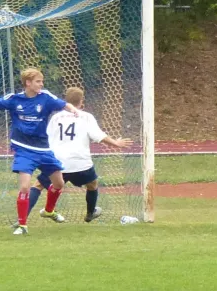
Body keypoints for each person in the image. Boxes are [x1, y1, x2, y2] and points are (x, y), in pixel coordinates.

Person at [0, 68, 79, 235]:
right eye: (38, 81)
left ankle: (49, 211)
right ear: (28, 83)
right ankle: (23, 226)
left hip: (43, 149)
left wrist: (72, 109)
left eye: (41, 81)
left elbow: (64, 104)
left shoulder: (45, 97)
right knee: (24, 187)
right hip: (23, 150)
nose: (41, 84)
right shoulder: (15, 99)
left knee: (59, 183)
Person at [15, 87, 134, 225]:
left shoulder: (55, 117)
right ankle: (90, 213)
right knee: (92, 185)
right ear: (81, 101)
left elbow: (45, 136)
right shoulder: (86, 117)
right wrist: (116, 143)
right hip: (80, 163)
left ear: (66, 100)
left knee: (38, 186)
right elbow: (99, 136)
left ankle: (22, 219)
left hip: (57, 163)